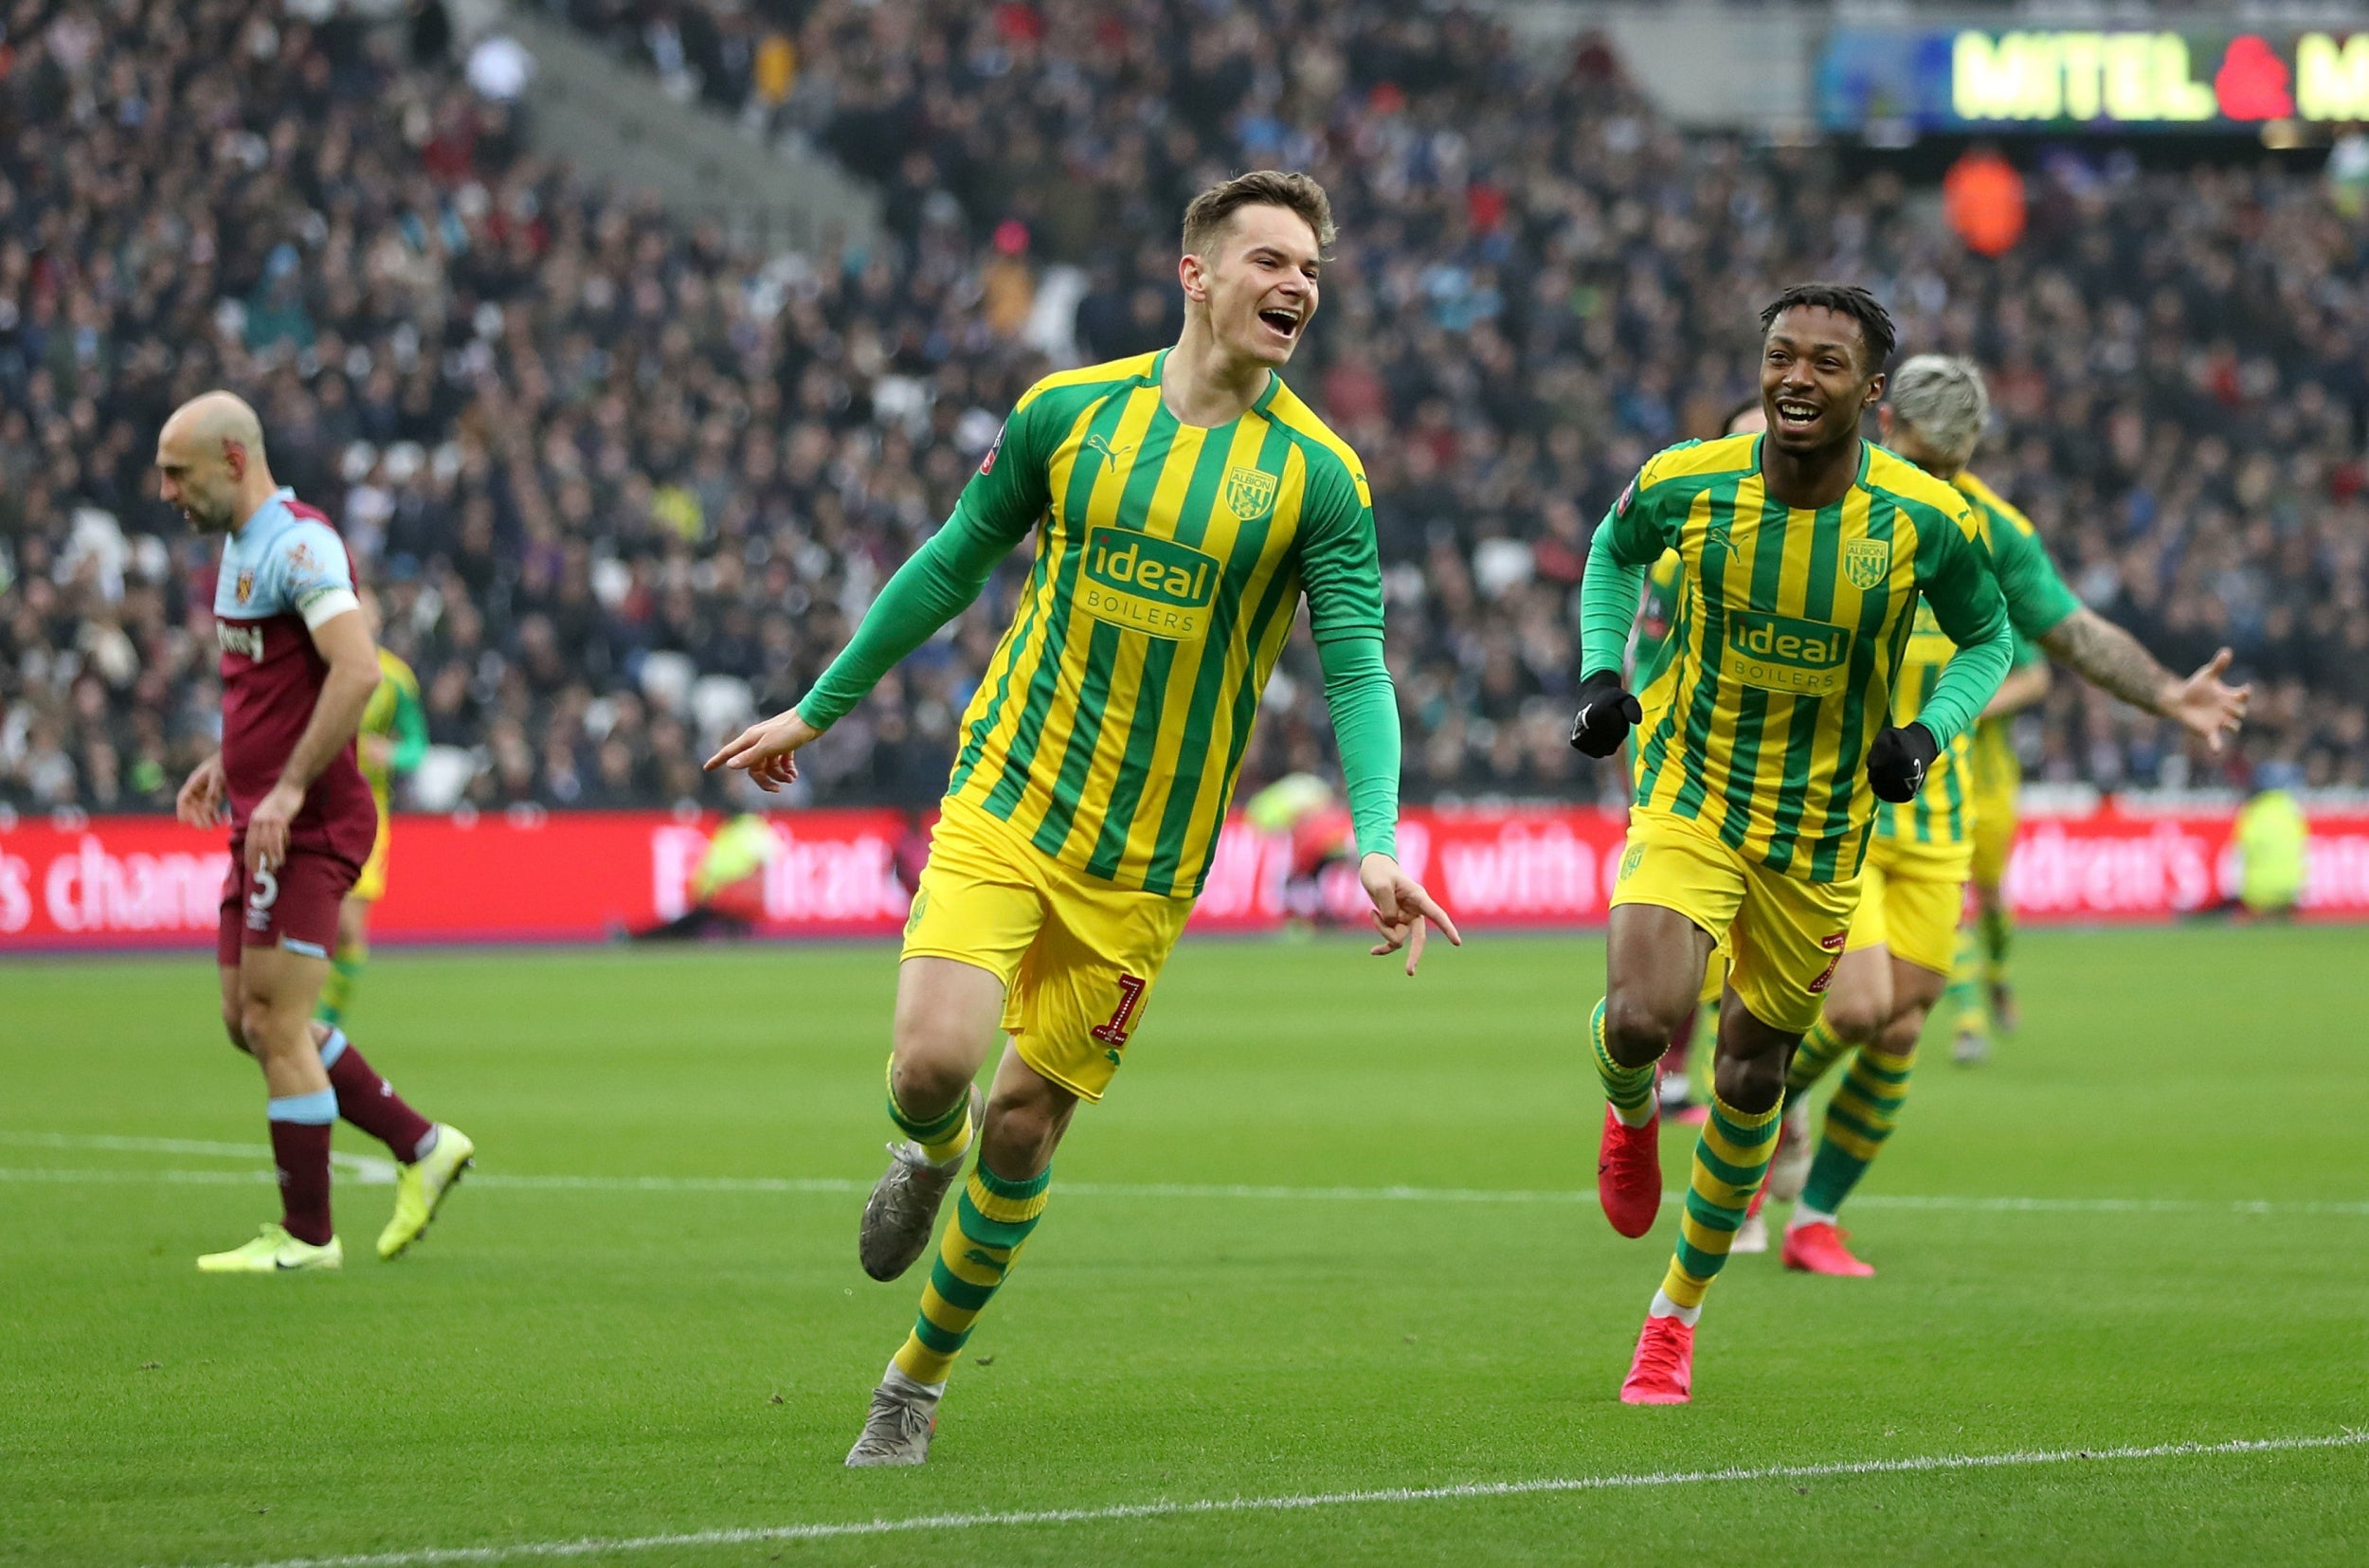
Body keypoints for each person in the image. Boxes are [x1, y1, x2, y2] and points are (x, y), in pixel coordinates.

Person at [705, 171, 1458, 1465]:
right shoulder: (1069, 413)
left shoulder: (1320, 478)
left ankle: (914, 1381)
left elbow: (1355, 667)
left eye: (1312, 271)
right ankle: (920, 1153)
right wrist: (820, 707)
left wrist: (1378, 838)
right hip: (1010, 795)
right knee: (935, 1070)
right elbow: (953, 558)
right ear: (1197, 274)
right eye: (1271, 261)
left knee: (1026, 1121)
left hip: (1147, 865)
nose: (1296, 287)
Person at [1567, 285, 2014, 1405]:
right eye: (1778, 355)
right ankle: (1627, 1116)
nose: (1794, 377)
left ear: (1870, 392)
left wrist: (1925, 731)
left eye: (1823, 362)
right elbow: (1611, 553)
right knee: (1637, 1014)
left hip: (1818, 837)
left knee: (1752, 1071)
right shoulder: (1688, 477)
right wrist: (1601, 673)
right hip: (1692, 794)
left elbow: (1988, 637)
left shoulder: (1919, 517)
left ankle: (1673, 1316)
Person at [1765, 355, 2251, 1275]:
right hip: (1837, 809)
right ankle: (1762, 1106)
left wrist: (2165, 695)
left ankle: (1813, 1218)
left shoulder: (1989, 527)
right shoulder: (1826, 493)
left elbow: (2069, 631)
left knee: (1903, 1020)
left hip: (1937, 816)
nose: (1937, 478)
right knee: (1863, 1002)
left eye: (1952, 464)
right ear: (1886, 422)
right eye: (1923, 455)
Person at [162, 392, 475, 1273]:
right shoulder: (236, 550)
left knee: (275, 1015)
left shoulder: (299, 543)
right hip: (260, 812)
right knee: (248, 1017)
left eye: (176, 473)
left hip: (306, 820)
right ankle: (422, 1145)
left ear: (232, 460)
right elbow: (269, 686)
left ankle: (306, 1236)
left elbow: (356, 668)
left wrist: (289, 783)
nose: (164, 491)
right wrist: (233, 762)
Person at [315, 591, 426, 1028]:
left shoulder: (396, 679)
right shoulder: (316, 668)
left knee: (348, 929)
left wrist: (392, 755)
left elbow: (418, 745)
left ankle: (326, 1023)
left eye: (368, 615)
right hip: (312, 806)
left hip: (365, 816)